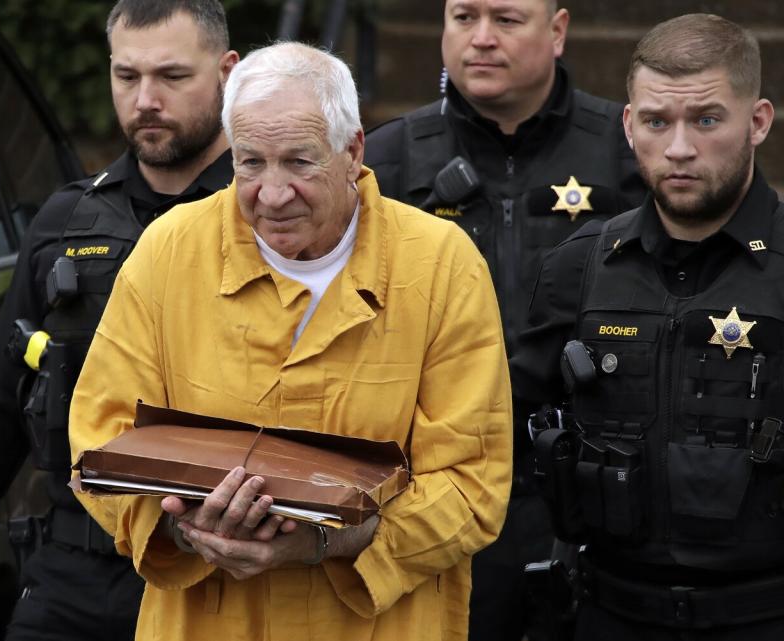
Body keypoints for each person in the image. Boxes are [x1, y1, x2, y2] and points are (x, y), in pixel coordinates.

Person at [68, 41, 512, 641]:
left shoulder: (441, 266)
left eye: (299, 162)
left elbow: (472, 484)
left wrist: (322, 541)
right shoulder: (170, 251)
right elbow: (100, 437)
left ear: (353, 151)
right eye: (250, 163)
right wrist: (187, 529)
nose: (272, 195)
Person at [0, 2, 238, 640]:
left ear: (227, 72)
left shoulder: (268, 216)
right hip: (74, 568)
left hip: (216, 577)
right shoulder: (67, 222)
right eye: (127, 76)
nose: (145, 100)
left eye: (171, 76)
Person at [364, 2, 646, 638]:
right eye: (464, 17)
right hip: (439, 491)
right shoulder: (386, 163)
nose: (481, 39)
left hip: (591, 488)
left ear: (558, 31)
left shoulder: (629, 152)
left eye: (507, 20)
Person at [510, 13, 783, 640]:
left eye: (707, 120)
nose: (680, 148)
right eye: (658, 122)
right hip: (608, 615)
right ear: (629, 125)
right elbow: (508, 442)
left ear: (759, 121)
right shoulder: (577, 267)